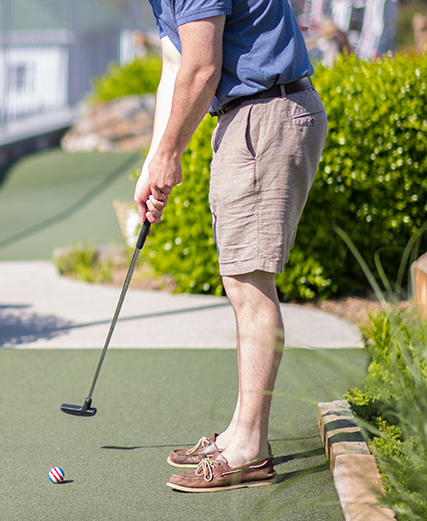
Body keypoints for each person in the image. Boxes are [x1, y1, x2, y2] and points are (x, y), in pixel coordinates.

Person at [136, 0, 327, 492]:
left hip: (265, 113)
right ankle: (241, 435)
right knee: (240, 280)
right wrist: (153, 163)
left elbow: (202, 68)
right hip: (247, 116)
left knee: (250, 283)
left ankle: (250, 450)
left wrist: (171, 155)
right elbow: (175, 66)